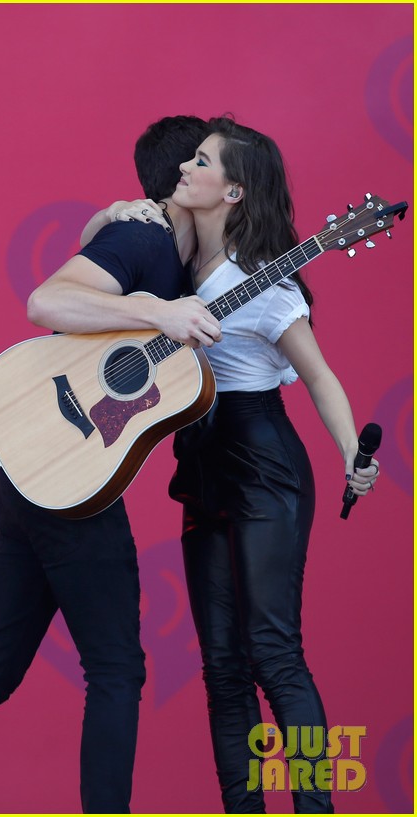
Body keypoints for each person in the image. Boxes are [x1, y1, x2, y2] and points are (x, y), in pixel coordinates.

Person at [0, 115, 217, 814]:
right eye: (209, 161)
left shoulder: (167, 249)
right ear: (184, 179)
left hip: (37, 478)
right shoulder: (143, 236)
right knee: (116, 669)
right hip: (60, 485)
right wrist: (151, 304)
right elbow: (45, 299)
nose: (221, 173)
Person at [163, 116, 380, 813]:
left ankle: (315, 807)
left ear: (233, 193)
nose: (185, 169)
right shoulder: (174, 259)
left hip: (264, 465)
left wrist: (353, 454)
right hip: (202, 462)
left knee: (272, 651)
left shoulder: (265, 283)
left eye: (201, 162)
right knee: (222, 667)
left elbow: (319, 377)